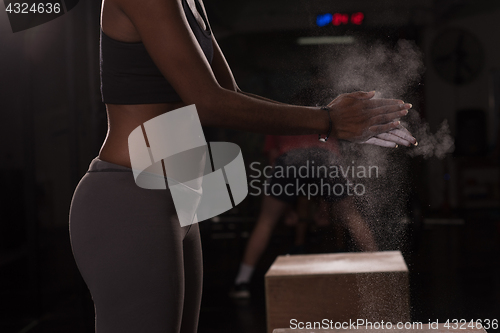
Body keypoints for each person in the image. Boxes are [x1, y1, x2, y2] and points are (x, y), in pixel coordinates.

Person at [68, 0, 417, 332]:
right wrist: (327, 121)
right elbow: (209, 103)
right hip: (130, 198)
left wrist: (339, 123)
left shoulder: (193, 3)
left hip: (179, 201)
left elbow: (229, 92)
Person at [230, 134, 379, 299]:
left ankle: (242, 282)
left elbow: (273, 157)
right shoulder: (324, 109)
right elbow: (326, 159)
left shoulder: (277, 112)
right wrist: (325, 206)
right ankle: (382, 273)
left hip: (290, 158)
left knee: (266, 221)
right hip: (325, 156)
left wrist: (286, 210)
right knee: (352, 216)